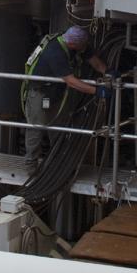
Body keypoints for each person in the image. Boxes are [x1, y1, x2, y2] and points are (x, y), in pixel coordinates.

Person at [20, 25, 107, 170]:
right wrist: (97, 91)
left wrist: (108, 71)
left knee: (58, 128)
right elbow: (71, 81)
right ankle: (31, 165)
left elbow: (94, 61)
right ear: (73, 44)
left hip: (56, 94)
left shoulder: (75, 44)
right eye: (82, 46)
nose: (85, 48)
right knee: (36, 128)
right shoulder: (55, 52)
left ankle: (57, 163)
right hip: (40, 93)